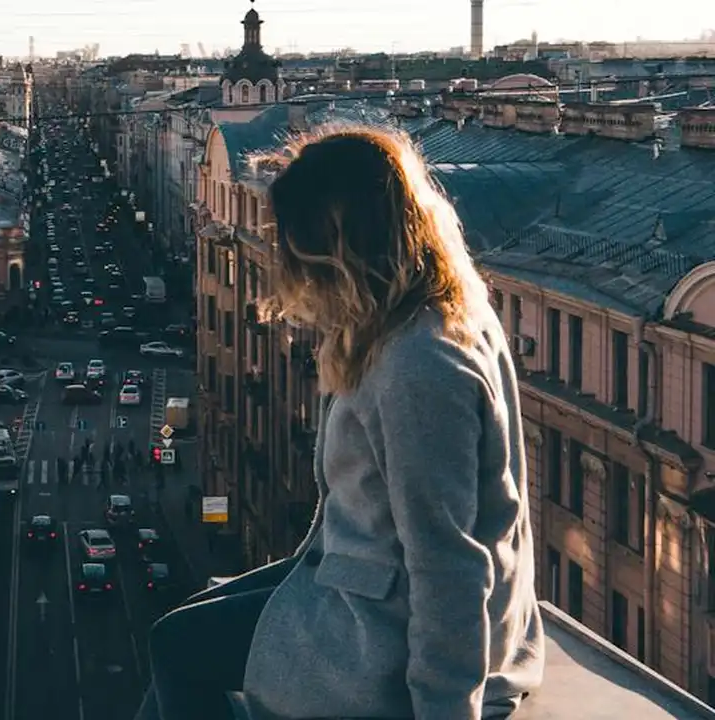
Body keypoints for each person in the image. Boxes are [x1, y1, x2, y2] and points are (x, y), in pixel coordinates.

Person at [137, 126, 544, 720]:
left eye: (302, 254)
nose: (297, 275)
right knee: (195, 616)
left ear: (344, 248)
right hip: (368, 589)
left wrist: (446, 709)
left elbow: (448, 564)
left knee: (176, 645)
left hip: (384, 631)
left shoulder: (419, 364)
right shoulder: (443, 313)